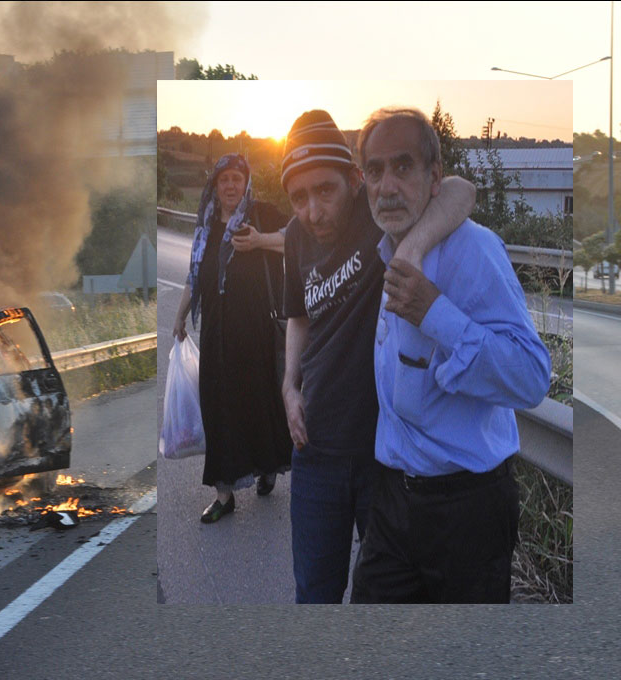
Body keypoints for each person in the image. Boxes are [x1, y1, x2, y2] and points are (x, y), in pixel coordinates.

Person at [350, 108, 551, 603]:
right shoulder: (388, 250)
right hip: (393, 503)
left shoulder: (475, 250)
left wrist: (435, 313)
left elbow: (532, 377)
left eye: (403, 166)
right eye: (375, 171)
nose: (387, 185)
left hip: (468, 510)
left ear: (433, 176)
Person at [280, 110, 475, 603]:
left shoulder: (380, 218)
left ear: (354, 179)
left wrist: (410, 249)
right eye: (299, 197)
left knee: (386, 599)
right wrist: (288, 384)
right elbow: (299, 315)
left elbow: (459, 190)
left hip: (382, 456)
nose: (313, 210)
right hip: (315, 451)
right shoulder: (293, 236)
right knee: (314, 593)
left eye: (325, 191)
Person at [172, 153, 292, 523]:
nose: (230, 186)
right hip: (216, 335)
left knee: (256, 402)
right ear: (215, 184)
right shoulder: (206, 226)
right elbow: (196, 275)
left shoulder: (262, 215)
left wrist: (260, 241)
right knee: (217, 408)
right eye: (223, 179)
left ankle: (267, 465)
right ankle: (224, 493)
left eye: (236, 179)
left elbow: (297, 239)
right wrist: (180, 315)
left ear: (246, 183)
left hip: (254, 330)